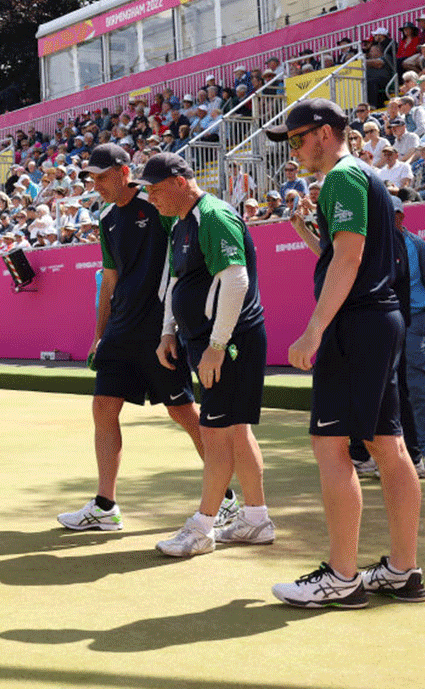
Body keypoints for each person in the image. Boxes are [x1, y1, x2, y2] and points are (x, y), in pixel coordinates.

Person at [266, 99, 425, 608]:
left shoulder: (342, 178)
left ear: (328, 133)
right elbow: (350, 255)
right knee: (388, 444)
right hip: (378, 321)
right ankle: (403, 571)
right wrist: (313, 239)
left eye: (298, 138)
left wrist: (313, 331)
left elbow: (352, 259)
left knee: (331, 446)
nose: (294, 150)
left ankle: (342, 575)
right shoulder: (361, 179)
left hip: (356, 326)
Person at [57, 144, 209, 532]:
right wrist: (98, 335)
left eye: (102, 177)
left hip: (159, 329)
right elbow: (109, 278)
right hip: (120, 330)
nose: (96, 185)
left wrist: (173, 327)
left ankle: (223, 497)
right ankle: (105, 506)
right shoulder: (105, 217)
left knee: (183, 411)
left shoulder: (158, 205)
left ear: (125, 172)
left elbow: (182, 257)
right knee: (103, 409)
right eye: (92, 178)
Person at [136, 153, 273, 557]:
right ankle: (255, 518)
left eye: (156, 189)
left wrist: (215, 346)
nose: (151, 198)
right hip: (210, 341)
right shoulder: (181, 222)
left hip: (230, 344)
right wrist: (167, 331)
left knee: (216, 435)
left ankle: (202, 527)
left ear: (180, 182)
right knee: (236, 431)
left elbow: (236, 280)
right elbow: (177, 280)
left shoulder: (212, 216)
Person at [394, 204, 425, 470]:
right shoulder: (372, 244)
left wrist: (415, 308)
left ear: (400, 217)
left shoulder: (419, 246)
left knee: (415, 378)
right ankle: (394, 449)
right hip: (385, 322)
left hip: (413, 319)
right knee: (386, 383)